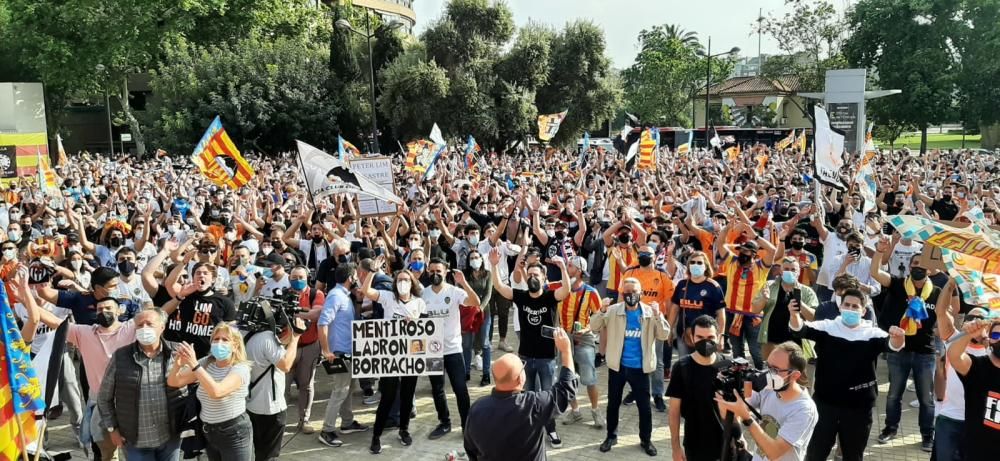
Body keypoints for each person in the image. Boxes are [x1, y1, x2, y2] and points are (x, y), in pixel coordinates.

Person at [789, 288, 906, 461]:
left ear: (863, 311)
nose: (850, 309)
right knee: (815, 453)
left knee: (853, 455)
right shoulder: (828, 327)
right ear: (840, 307)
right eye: (847, 305)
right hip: (825, 404)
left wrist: (898, 338)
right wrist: (794, 314)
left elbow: (892, 346)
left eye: (855, 306)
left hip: (858, 408)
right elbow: (799, 330)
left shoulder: (872, 333)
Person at [488, 247, 571, 448]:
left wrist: (562, 268)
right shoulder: (521, 296)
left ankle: (550, 429)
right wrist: (494, 263)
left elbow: (566, 290)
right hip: (525, 357)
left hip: (547, 358)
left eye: (537, 275)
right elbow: (498, 286)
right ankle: (528, 428)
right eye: (530, 274)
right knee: (526, 395)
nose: (533, 277)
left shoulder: (550, 297)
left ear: (544, 278)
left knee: (548, 395)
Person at [463, 326, 578, 461]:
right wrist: (566, 350)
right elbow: (566, 389)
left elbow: (471, 448)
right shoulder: (533, 405)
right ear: (520, 378)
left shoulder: (477, 408)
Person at [870, 236, 939, 449]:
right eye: (915, 264)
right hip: (898, 351)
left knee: (926, 399)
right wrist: (880, 252)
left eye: (922, 265)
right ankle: (890, 428)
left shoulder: (937, 293)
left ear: (930, 269)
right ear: (909, 266)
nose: (918, 267)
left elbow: (944, 321)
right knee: (893, 395)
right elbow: (875, 273)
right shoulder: (899, 285)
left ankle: (927, 435)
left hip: (925, 353)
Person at [589, 277, 670, 456]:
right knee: (613, 404)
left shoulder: (649, 312)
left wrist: (658, 316)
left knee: (644, 407)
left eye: (634, 292)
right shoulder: (613, 311)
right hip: (618, 366)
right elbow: (593, 326)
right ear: (622, 294)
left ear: (640, 293)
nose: (630, 295)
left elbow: (664, 335)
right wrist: (601, 310)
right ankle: (611, 436)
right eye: (627, 292)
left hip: (640, 368)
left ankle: (646, 440)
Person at [97, 308, 184, 461]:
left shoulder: (178, 353)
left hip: (170, 438)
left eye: (149, 324)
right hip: (135, 440)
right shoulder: (121, 357)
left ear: (162, 327)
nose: (144, 328)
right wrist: (112, 429)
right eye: (140, 325)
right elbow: (104, 397)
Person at [359, 261, 427, 454]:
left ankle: (403, 429)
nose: (403, 283)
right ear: (395, 282)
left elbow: (427, 329)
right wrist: (372, 271)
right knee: (387, 396)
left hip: (411, 355)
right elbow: (366, 291)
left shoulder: (419, 302)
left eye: (406, 280)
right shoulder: (388, 297)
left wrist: (416, 322)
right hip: (390, 354)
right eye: (400, 280)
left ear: (412, 282)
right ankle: (376, 435)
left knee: (407, 395)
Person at [715, 341, 819, 461]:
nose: (768, 374)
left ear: (795, 375)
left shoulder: (804, 410)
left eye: (775, 369)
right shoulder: (770, 389)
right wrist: (731, 387)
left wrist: (747, 418)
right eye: (768, 366)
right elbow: (740, 405)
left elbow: (774, 452)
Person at [167, 323, 253, 461]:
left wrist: (194, 365)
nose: (219, 343)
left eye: (225, 340)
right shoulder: (207, 362)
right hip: (209, 432)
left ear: (235, 345)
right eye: (216, 339)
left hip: (234, 432)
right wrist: (178, 364)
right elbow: (174, 382)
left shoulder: (240, 369)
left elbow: (217, 392)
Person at [421, 257, 481, 439]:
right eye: (431, 271)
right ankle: (444, 423)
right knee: (437, 389)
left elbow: (475, 302)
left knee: (460, 389)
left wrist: (463, 283)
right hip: (432, 350)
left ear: (446, 272)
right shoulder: (423, 294)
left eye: (438, 271)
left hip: (454, 349)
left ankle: (466, 425)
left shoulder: (455, 291)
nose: (435, 274)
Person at [934, 278, 990, 461]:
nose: (975, 322)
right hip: (950, 418)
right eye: (971, 318)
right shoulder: (954, 338)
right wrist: (951, 283)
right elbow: (941, 312)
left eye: (980, 319)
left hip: (979, 423)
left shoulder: (994, 350)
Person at [317, 263, 369, 447]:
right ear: (350, 278)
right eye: (355, 276)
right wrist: (326, 350)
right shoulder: (336, 296)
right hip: (339, 352)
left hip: (349, 351)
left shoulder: (345, 296)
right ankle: (327, 429)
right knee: (340, 390)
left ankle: (347, 422)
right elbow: (323, 323)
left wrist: (360, 301)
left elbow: (353, 320)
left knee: (348, 388)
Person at [666, 315, 732, 461]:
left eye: (710, 337)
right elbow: (674, 412)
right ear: (692, 337)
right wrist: (676, 447)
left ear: (718, 336)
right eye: (700, 337)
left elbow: (736, 408)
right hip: (695, 445)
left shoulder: (727, 366)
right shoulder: (682, 367)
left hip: (726, 443)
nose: (705, 342)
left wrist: (740, 436)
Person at [619, 243, 674, 411]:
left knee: (656, 360)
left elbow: (670, 303)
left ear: (654, 257)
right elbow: (621, 298)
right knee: (633, 357)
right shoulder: (630, 273)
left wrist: (669, 326)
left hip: (654, 322)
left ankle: (657, 394)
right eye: (641, 253)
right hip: (632, 321)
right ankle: (635, 391)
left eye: (647, 254)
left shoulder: (662, 276)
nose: (643, 256)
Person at [245, 308, 304, 461]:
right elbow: (285, 365)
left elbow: (269, 351)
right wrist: (296, 337)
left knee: (260, 451)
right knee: (269, 455)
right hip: (271, 408)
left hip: (252, 405)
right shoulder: (267, 338)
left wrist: (288, 338)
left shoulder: (248, 335)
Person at [557, 256, 606, 428]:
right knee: (567, 377)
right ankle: (575, 411)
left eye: (569, 265)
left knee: (589, 378)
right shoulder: (559, 287)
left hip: (584, 338)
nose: (566, 267)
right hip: (564, 338)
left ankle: (595, 410)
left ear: (578, 271)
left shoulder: (591, 292)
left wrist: (586, 329)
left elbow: (599, 317)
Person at [946, 317, 1000, 461]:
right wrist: (968, 334)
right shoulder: (978, 367)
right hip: (975, 453)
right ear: (990, 339)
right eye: (996, 335)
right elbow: (955, 356)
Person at [753, 257, 819, 360]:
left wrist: (800, 304)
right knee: (772, 371)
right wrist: (764, 299)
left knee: (796, 374)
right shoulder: (769, 286)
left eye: (793, 270)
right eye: (786, 269)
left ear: (799, 272)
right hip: (771, 340)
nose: (790, 272)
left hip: (797, 343)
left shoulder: (807, 291)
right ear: (781, 271)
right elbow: (755, 310)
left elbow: (813, 317)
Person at [287, 265, 326, 434]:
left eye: (300, 277)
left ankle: (304, 420)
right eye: (294, 277)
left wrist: (293, 314)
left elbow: (316, 314)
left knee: (306, 385)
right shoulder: (284, 294)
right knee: (283, 386)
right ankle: (279, 421)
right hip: (288, 346)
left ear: (307, 277)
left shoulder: (315, 294)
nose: (297, 280)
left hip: (310, 345)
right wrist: (304, 314)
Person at [669, 250, 726, 356]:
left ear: (706, 266)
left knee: (705, 366)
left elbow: (721, 314)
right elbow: (675, 309)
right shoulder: (682, 284)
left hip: (705, 335)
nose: (695, 265)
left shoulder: (713, 286)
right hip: (684, 334)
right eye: (693, 262)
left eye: (699, 263)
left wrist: (721, 335)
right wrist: (669, 329)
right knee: (685, 366)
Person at [460, 250, 493, 385]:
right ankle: (466, 372)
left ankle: (486, 374)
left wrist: (480, 307)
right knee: (467, 344)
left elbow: (488, 294)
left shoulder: (488, 274)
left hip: (484, 313)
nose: (474, 260)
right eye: (472, 258)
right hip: (468, 313)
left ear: (481, 258)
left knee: (485, 343)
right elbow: (462, 293)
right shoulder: (465, 275)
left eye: (477, 257)